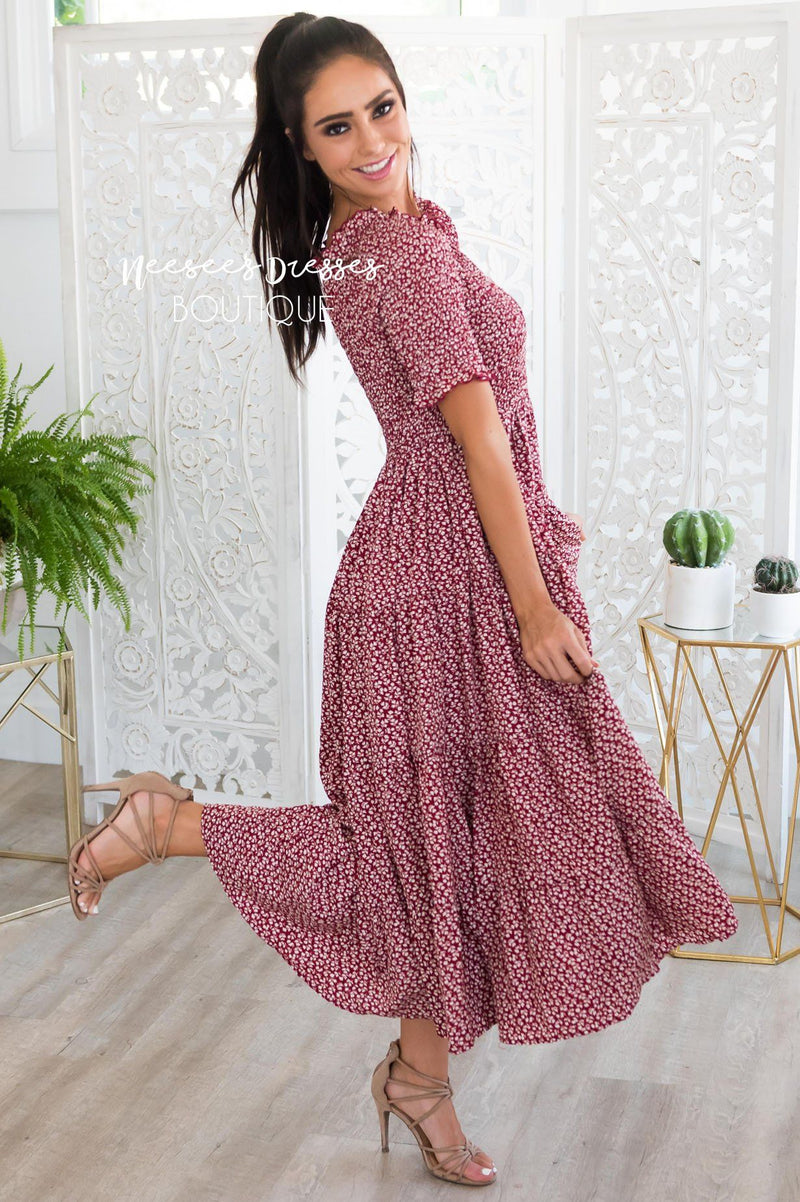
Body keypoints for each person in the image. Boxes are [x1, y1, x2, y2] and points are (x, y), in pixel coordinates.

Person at [68, 11, 738, 1189]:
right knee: (420, 850)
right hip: (444, 584)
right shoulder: (403, 253)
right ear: (299, 142)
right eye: (338, 127)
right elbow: (479, 443)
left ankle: (418, 1078)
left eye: (381, 107)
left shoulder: (378, 237)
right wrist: (533, 608)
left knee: (442, 848)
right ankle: (170, 824)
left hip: (425, 569)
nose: (374, 139)